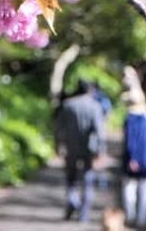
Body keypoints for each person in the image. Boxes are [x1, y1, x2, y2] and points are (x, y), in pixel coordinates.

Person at [55, 80, 106, 222]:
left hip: (71, 148)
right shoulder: (95, 106)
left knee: (71, 179)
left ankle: (73, 201)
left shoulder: (67, 105)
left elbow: (58, 129)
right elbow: (100, 132)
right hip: (89, 149)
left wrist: (58, 146)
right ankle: (83, 214)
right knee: (87, 180)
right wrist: (100, 151)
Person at [121, 66, 146, 228]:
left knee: (130, 187)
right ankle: (142, 219)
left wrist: (133, 157)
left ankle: (131, 216)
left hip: (135, 158)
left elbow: (132, 141)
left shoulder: (132, 119)